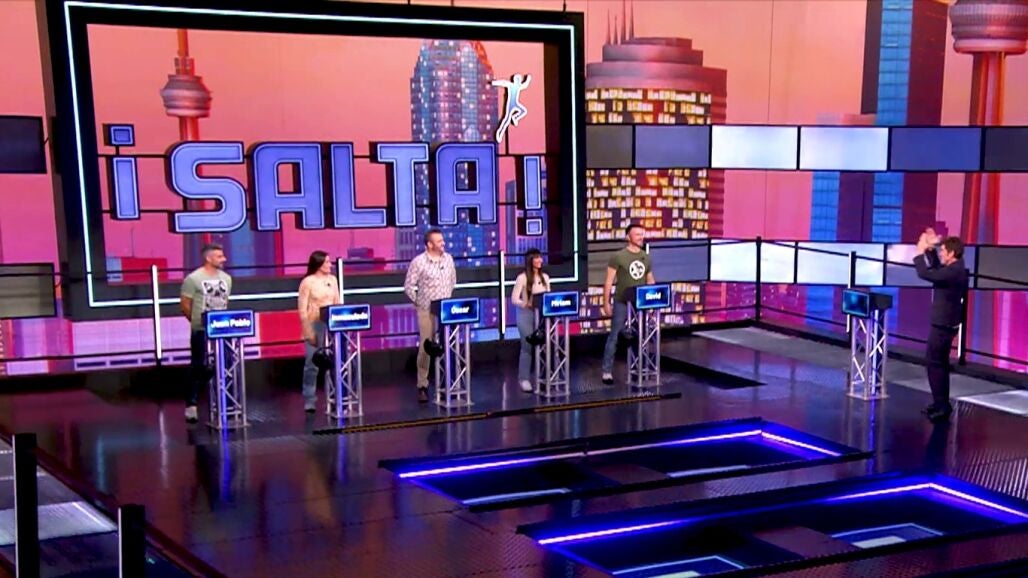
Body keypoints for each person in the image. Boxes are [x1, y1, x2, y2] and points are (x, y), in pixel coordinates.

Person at [913, 228, 968, 423]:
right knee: (939, 364)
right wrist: (930, 250)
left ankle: (942, 406)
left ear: (952, 253)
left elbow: (926, 274)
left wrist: (920, 252)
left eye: (943, 251)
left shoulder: (954, 271)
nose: (941, 254)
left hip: (943, 324)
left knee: (935, 364)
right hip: (944, 323)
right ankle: (940, 403)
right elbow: (937, 270)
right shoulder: (954, 268)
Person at [179, 243, 232, 423]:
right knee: (198, 366)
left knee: (226, 364)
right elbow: (185, 304)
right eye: (219, 256)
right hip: (201, 330)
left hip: (222, 330)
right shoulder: (193, 279)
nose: (224, 259)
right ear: (208, 258)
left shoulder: (226, 278)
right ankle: (191, 405)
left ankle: (225, 403)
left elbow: (225, 302)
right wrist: (197, 321)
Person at [404, 228, 457, 403]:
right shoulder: (419, 262)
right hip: (426, 309)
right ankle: (422, 385)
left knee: (448, 345)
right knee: (426, 347)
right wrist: (420, 303)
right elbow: (408, 286)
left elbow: (453, 281)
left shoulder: (448, 259)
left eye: (443, 240)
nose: (443, 243)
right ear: (429, 244)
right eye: (439, 241)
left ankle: (449, 382)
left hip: (446, 310)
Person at [601, 224, 655, 384]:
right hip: (622, 301)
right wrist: (606, 303)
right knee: (615, 335)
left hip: (640, 303)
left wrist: (652, 300)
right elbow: (609, 281)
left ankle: (639, 368)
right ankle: (606, 372)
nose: (641, 237)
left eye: (642, 234)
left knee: (641, 335)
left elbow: (650, 279)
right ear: (628, 237)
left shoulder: (646, 257)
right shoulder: (618, 256)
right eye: (637, 234)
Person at [297, 250, 341, 413]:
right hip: (314, 325)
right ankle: (309, 399)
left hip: (331, 325)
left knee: (335, 362)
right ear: (319, 264)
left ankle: (336, 396)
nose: (330, 265)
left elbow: (337, 302)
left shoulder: (333, 280)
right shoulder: (307, 282)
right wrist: (308, 331)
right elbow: (302, 310)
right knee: (312, 364)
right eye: (327, 262)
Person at [511, 248, 551, 392]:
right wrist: (525, 304)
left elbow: (548, 296)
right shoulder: (522, 278)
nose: (540, 260)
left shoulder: (545, 277)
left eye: (541, 257)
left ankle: (544, 377)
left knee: (544, 345)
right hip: (525, 314)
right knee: (527, 346)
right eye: (537, 258)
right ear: (530, 260)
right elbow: (514, 299)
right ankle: (524, 379)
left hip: (541, 315)